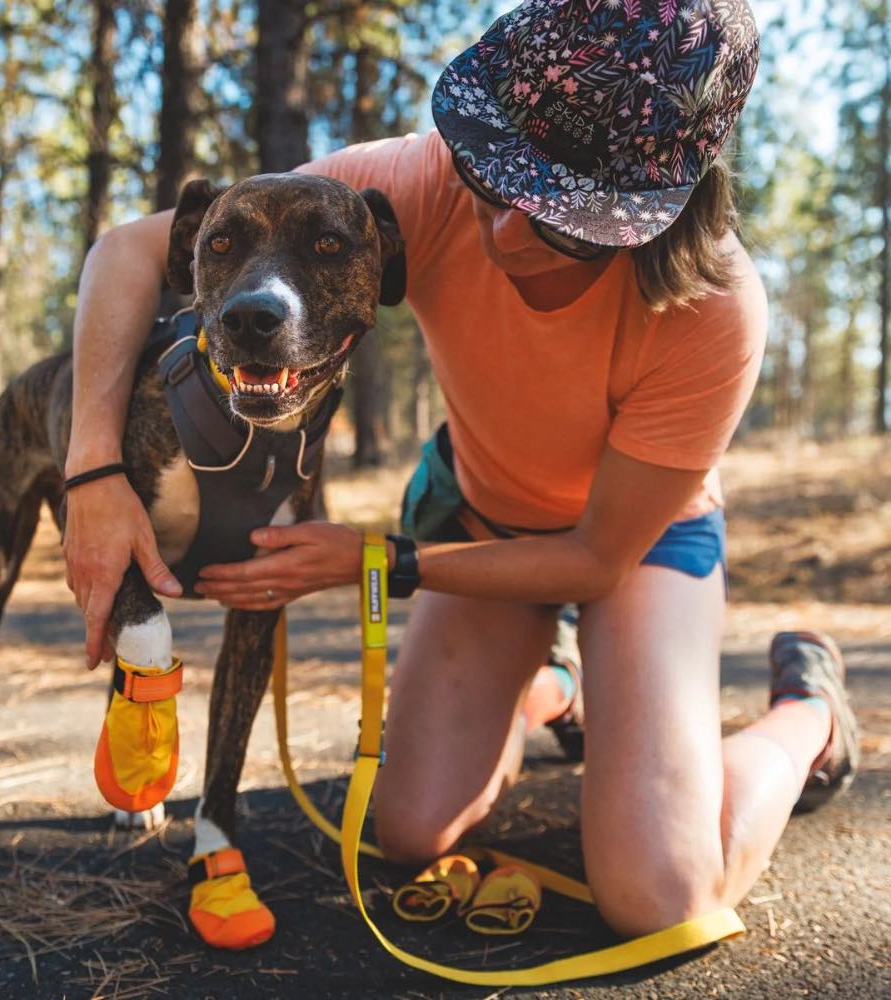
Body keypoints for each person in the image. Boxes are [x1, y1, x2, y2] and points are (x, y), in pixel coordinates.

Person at [64, 0, 858, 938]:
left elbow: (598, 558)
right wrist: (93, 474)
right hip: (480, 513)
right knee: (409, 831)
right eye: (495, 181)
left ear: (654, 212)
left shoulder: (715, 309)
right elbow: (127, 250)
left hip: (640, 544)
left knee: (661, 896)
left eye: (565, 220)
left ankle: (811, 714)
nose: (504, 235)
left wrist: (371, 559)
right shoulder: (418, 180)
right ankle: (554, 685)